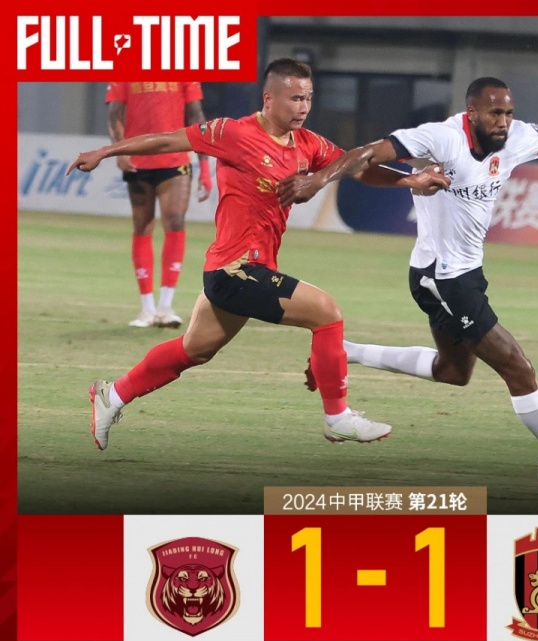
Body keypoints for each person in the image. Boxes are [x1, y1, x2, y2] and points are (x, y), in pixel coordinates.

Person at [278, 77, 538, 492]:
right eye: (495, 113)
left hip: (465, 275)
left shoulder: (517, 137)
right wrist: (318, 180)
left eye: (508, 113)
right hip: (443, 279)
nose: (504, 121)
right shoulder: (441, 138)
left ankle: (345, 352)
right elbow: (366, 155)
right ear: (472, 113)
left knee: (453, 371)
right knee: (518, 367)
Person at [68, 59, 449, 451]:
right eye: (295, 98)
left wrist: (412, 179)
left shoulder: (307, 144)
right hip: (234, 269)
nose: (303, 107)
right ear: (269, 99)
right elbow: (167, 140)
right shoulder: (232, 133)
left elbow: (355, 167)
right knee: (327, 313)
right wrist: (107, 151)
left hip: (249, 269)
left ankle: (111, 396)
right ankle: (338, 418)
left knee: (193, 350)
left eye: (308, 98)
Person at [106, 81, 213, 328]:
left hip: (175, 159)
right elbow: (114, 115)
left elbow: (196, 116)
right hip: (138, 158)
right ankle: (147, 309)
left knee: (175, 221)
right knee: (142, 225)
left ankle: (166, 307)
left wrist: (205, 167)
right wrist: (120, 151)